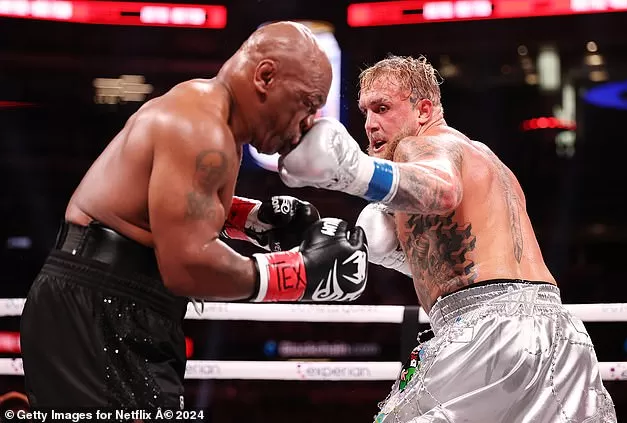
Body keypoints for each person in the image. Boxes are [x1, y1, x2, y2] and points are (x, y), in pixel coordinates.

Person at [19, 21, 370, 409]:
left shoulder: (210, 119)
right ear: (265, 76)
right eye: (306, 103)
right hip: (101, 307)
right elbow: (187, 265)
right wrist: (299, 273)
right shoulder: (200, 127)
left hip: (114, 305)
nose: (308, 123)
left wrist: (255, 220)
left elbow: (171, 208)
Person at [278, 55, 617, 422]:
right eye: (365, 112)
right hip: (561, 336)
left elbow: (442, 191)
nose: (370, 125)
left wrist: (350, 171)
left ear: (423, 110)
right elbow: (464, 263)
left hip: (487, 331)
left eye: (382, 108)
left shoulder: (423, 147)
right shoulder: (487, 160)